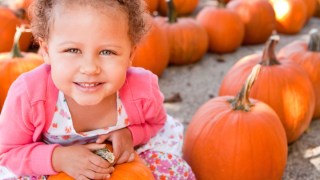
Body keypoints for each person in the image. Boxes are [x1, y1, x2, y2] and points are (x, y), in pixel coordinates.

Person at [0, 0, 196, 179]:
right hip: (54, 168)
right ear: (46, 50)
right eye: (73, 50)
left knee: (172, 169)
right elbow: (8, 152)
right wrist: (58, 158)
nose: (90, 68)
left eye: (107, 52)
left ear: (130, 54)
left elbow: (157, 123)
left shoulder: (142, 90)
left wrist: (130, 135)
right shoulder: (29, 94)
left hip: (124, 166)